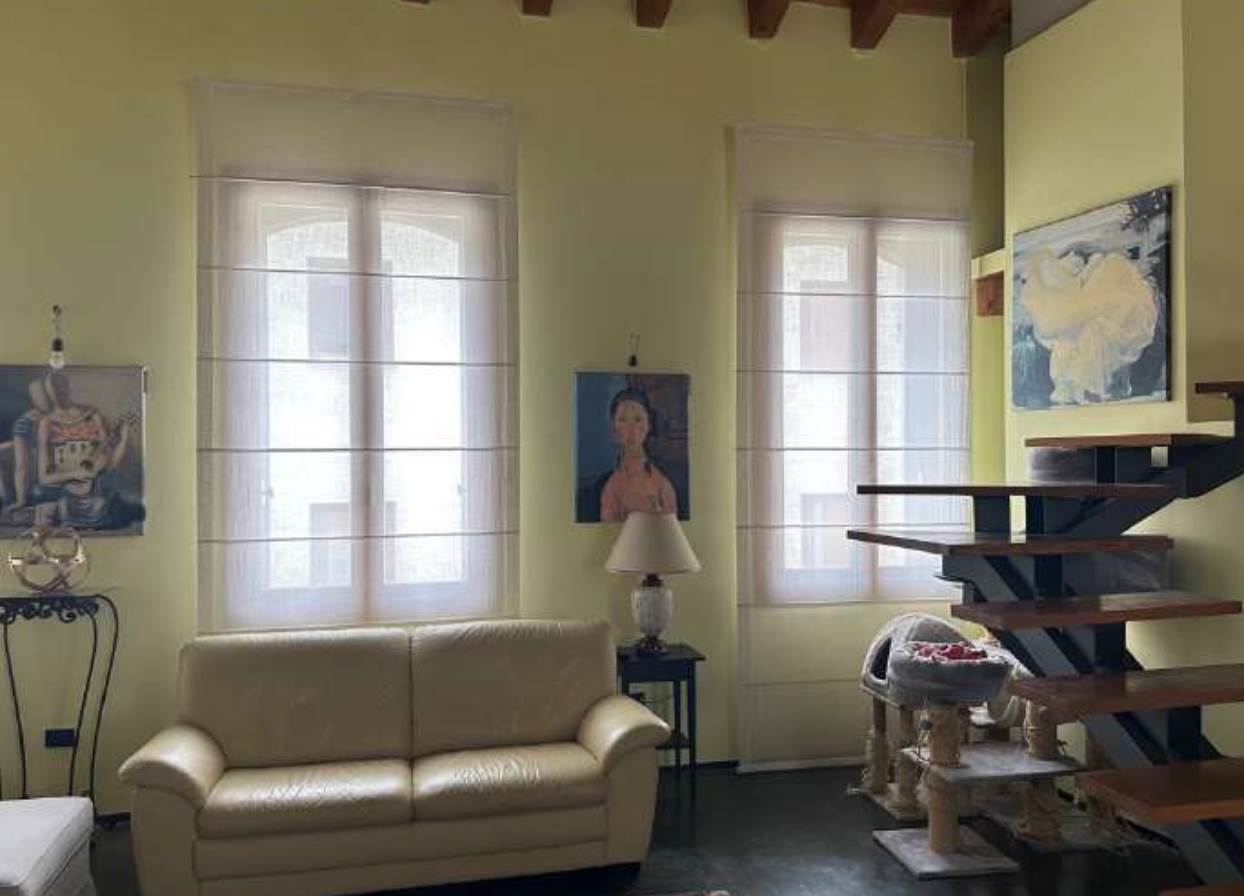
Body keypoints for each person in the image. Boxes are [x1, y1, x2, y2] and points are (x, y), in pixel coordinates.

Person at [600, 387, 677, 522]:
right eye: (623, 420)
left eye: (638, 419)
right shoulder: (610, 488)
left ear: (648, 425)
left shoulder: (662, 484)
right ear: (614, 429)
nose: (631, 429)